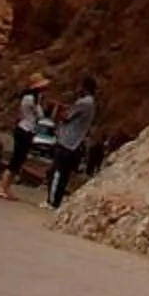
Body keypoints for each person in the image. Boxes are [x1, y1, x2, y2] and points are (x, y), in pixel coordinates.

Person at [45, 76, 96, 211]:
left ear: (85, 88)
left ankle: (52, 201)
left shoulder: (83, 103)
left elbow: (66, 116)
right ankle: (57, 200)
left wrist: (58, 109)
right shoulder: (91, 104)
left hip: (67, 141)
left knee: (57, 172)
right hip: (75, 143)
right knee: (64, 174)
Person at [0, 78, 48, 201]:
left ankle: (7, 188)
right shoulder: (30, 99)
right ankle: (2, 187)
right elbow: (40, 114)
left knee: (18, 162)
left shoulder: (31, 99)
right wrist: (40, 101)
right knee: (15, 160)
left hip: (27, 131)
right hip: (24, 130)